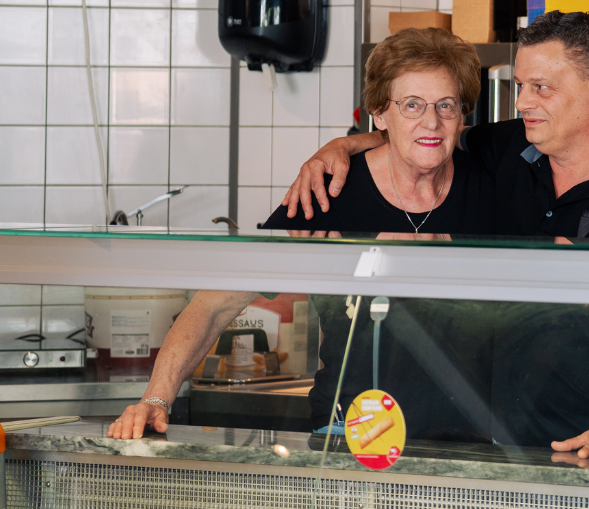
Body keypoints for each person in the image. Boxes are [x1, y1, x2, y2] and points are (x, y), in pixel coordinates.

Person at [283, 11, 589, 459]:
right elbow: (429, 132)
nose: (522, 102)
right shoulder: (510, 148)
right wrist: (340, 147)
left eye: (541, 87)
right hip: (504, 440)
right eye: (521, 86)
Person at [109, 28, 494, 441]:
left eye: (446, 106)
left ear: (463, 113)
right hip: (354, 437)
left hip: (471, 438)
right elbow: (213, 306)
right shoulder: (328, 194)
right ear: (380, 114)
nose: (431, 121)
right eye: (412, 105)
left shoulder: (492, 185)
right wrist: (156, 399)